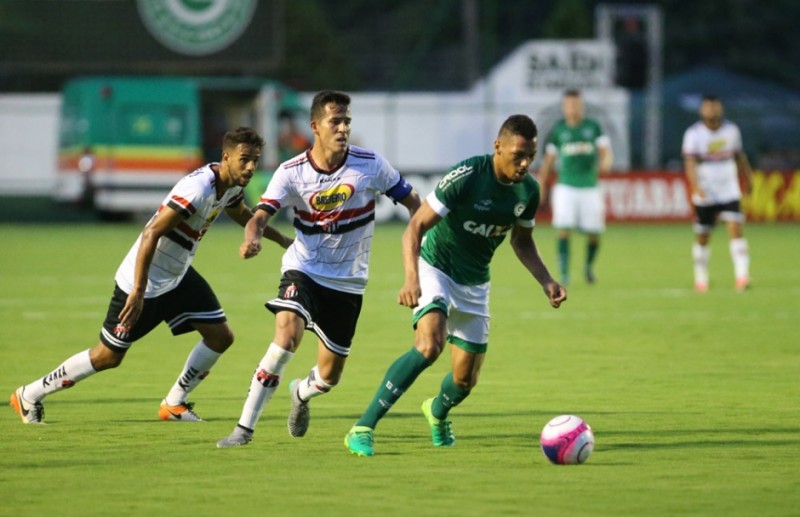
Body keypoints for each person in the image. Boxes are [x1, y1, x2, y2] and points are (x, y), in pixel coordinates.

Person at [10, 127, 292, 424]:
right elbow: (151, 233)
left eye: (255, 160)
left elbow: (243, 215)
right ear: (226, 157)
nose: (250, 167)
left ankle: (173, 404)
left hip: (178, 274)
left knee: (220, 336)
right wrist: (138, 292)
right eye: (244, 159)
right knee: (108, 356)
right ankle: (29, 394)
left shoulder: (232, 186)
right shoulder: (198, 189)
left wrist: (282, 240)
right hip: (143, 280)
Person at [344, 114, 567, 457]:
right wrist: (411, 278)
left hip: (475, 283)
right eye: (517, 155)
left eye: (530, 157)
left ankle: (436, 411)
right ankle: (364, 426)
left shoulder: (529, 191)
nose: (524, 164)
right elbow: (415, 227)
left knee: (465, 380)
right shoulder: (468, 175)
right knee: (429, 345)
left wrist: (547, 280)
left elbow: (522, 242)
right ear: (498, 147)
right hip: (436, 268)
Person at [216, 90, 420, 448]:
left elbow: (414, 205)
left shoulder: (371, 164)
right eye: (335, 121)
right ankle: (243, 429)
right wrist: (253, 238)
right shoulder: (291, 172)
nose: (343, 128)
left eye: (347, 121)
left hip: (348, 282)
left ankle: (301, 394)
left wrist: (424, 238)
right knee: (286, 337)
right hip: (304, 269)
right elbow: (259, 216)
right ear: (315, 126)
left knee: (329, 376)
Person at [537, 89, 613, 286]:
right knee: (563, 229)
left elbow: (605, 152)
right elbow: (548, 161)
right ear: (564, 107)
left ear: (582, 106)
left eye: (576, 104)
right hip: (566, 187)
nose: (573, 108)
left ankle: (588, 267)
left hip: (590, 186)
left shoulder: (593, 127)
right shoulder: (559, 130)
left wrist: (605, 162)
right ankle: (564, 274)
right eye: (569, 104)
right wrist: (542, 184)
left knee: (594, 233)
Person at [682, 94, 753, 292]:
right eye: (708, 107)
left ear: (720, 109)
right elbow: (689, 163)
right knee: (703, 236)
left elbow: (739, 156)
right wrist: (695, 187)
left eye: (715, 107)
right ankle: (701, 279)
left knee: (736, 230)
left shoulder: (731, 131)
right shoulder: (694, 134)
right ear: (701, 110)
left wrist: (748, 178)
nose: (711, 110)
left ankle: (742, 277)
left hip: (729, 190)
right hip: (706, 191)